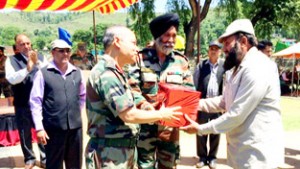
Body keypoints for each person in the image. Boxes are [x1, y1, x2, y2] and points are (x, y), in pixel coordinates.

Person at [181, 19, 284, 169]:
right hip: (241, 153)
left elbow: (236, 114)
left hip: (257, 156)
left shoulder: (258, 67)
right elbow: (224, 101)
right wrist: (193, 103)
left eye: (227, 43)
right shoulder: (237, 68)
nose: (224, 49)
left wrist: (200, 129)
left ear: (243, 41)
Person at [85, 25, 182, 169]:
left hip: (119, 153)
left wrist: (148, 107)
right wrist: (162, 114)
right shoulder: (107, 74)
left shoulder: (116, 72)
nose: (137, 49)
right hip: (109, 155)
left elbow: (130, 99)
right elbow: (129, 115)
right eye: (133, 43)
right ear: (117, 42)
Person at [126, 13, 195, 169]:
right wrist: (148, 108)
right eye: (167, 35)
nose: (171, 40)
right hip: (145, 127)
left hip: (170, 130)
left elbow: (189, 91)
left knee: (169, 166)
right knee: (144, 166)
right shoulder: (140, 59)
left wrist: (186, 116)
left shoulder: (181, 61)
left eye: (174, 36)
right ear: (157, 36)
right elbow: (132, 89)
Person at [29, 39, 86, 169]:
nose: (65, 54)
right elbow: (35, 101)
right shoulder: (42, 73)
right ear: (53, 52)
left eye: (68, 51)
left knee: (75, 164)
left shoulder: (77, 72)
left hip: (75, 129)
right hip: (53, 129)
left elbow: (82, 96)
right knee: (54, 164)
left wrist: (76, 112)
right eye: (61, 51)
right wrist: (39, 128)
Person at [5, 34, 47, 169]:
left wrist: (37, 63)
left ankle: (45, 158)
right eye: (22, 44)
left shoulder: (40, 57)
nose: (26, 46)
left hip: (41, 103)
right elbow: (11, 79)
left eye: (28, 43)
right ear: (16, 47)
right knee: (24, 132)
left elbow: (48, 74)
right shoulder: (11, 60)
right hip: (23, 102)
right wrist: (27, 68)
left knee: (42, 130)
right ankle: (29, 159)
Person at [193, 41, 224, 169]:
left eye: (216, 49)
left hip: (218, 104)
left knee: (216, 131)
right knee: (200, 131)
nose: (213, 51)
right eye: (211, 48)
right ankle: (202, 157)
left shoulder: (224, 66)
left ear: (220, 52)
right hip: (203, 103)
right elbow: (194, 83)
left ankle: (212, 158)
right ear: (208, 51)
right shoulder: (201, 65)